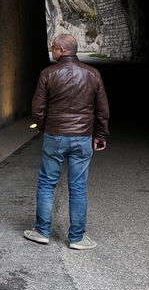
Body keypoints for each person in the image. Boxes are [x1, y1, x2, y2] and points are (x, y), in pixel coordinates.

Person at [24, 33, 109, 250]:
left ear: (61, 50)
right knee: (78, 188)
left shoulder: (48, 74)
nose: (51, 50)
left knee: (46, 183)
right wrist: (100, 135)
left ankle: (42, 232)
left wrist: (44, 126)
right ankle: (77, 238)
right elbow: (102, 110)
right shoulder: (93, 74)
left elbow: (38, 108)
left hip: (55, 136)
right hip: (83, 137)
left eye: (53, 47)